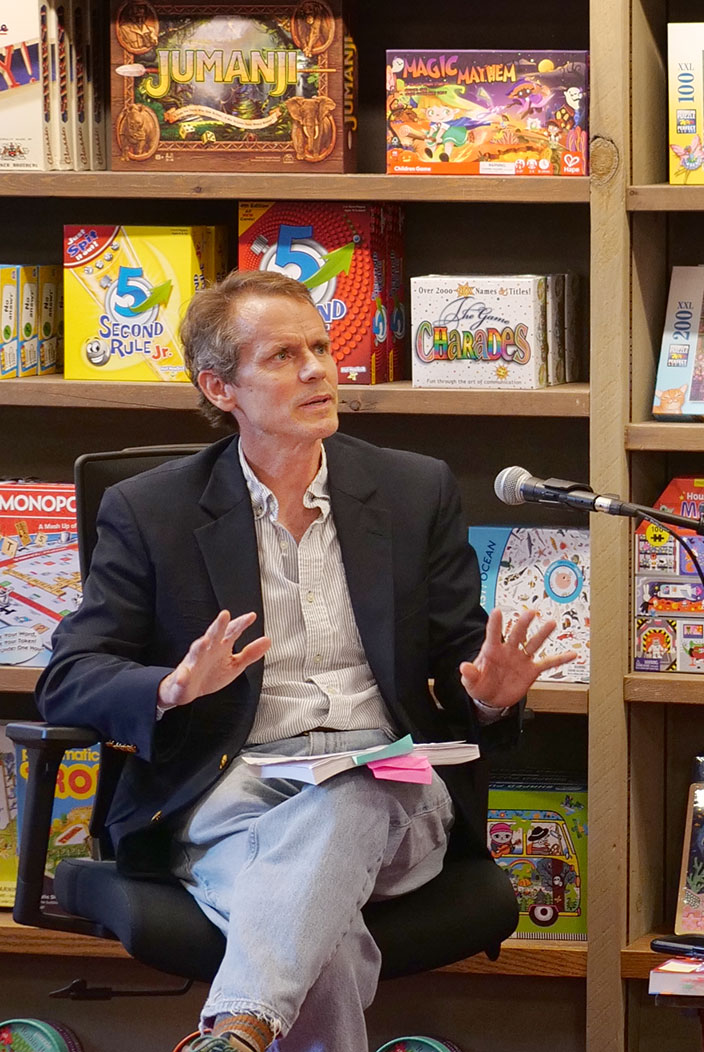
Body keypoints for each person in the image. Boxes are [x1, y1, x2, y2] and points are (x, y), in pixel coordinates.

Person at [36, 270, 575, 1052]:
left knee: (353, 790)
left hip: (391, 793)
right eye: (285, 356)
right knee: (321, 925)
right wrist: (171, 686)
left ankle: (243, 1024)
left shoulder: (411, 490)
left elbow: (464, 659)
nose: (320, 369)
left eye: (322, 347)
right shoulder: (152, 510)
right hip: (229, 793)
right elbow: (70, 677)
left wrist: (489, 696)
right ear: (221, 388)